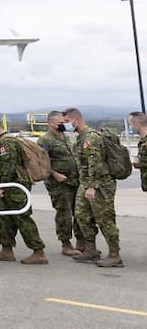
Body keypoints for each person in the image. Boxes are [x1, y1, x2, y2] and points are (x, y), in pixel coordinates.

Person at [0, 116, 48, 264]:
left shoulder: (6, 142)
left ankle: (38, 251)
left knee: (22, 218)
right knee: (5, 217)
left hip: (14, 185)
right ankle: (6, 250)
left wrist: (2, 186)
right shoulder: (5, 140)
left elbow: (8, 167)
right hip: (12, 185)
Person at [63, 107, 121, 267]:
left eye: (67, 121)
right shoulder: (80, 138)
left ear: (76, 119)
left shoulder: (91, 137)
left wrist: (92, 186)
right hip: (86, 183)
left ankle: (115, 254)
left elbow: (95, 163)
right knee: (81, 215)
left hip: (100, 184)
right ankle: (91, 250)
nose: (65, 125)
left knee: (104, 219)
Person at [39, 111, 82, 256]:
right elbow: (41, 162)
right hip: (58, 183)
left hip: (73, 181)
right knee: (64, 213)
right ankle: (66, 243)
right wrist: (54, 174)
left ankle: (81, 241)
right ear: (50, 123)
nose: (63, 126)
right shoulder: (45, 140)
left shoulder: (67, 137)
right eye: (60, 123)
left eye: (64, 123)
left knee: (79, 211)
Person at [129, 111, 147, 193]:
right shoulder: (142, 142)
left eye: (131, 124)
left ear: (137, 124)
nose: (131, 127)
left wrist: (140, 163)